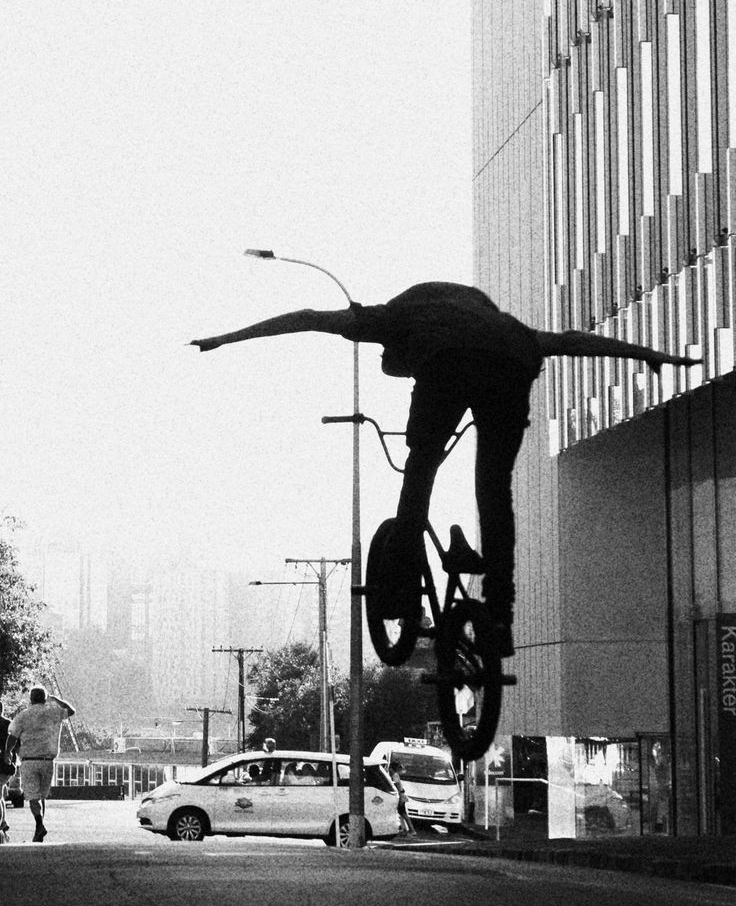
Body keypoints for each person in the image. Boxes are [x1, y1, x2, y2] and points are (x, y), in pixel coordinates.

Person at [191, 279, 700, 657]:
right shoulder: (504, 325)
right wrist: (651, 355)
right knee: (494, 492)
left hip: (450, 362)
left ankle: (403, 574)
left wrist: (225, 338)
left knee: (421, 470)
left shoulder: (392, 318)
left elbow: (304, 316)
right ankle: (499, 618)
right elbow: (576, 340)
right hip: (513, 363)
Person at [7, 684, 75, 842]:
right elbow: (71, 710)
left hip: (29, 761)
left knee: (33, 797)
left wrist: (7, 752)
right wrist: (56, 699)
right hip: (47, 761)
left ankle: (39, 824)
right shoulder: (54, 712)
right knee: (41, 796)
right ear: (45, 698)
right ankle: (40, 827)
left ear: (30, 699)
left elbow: (13, 736)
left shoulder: (23, 715)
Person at [0, 699, 17, 842]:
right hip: (8, 766)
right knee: (0, 794)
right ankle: (3, 823)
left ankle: (1, 825)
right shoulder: (10, 724)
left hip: (1, 764)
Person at [390, 760, 416, 835]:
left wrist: (400, 796)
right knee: (402, 813)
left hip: (400, 796)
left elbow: (397, 785)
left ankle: (411, 830)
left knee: (403, 813)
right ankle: (405, 830)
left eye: (390, 768)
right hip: (400, 795)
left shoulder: (395, 775)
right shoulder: (395, 774)